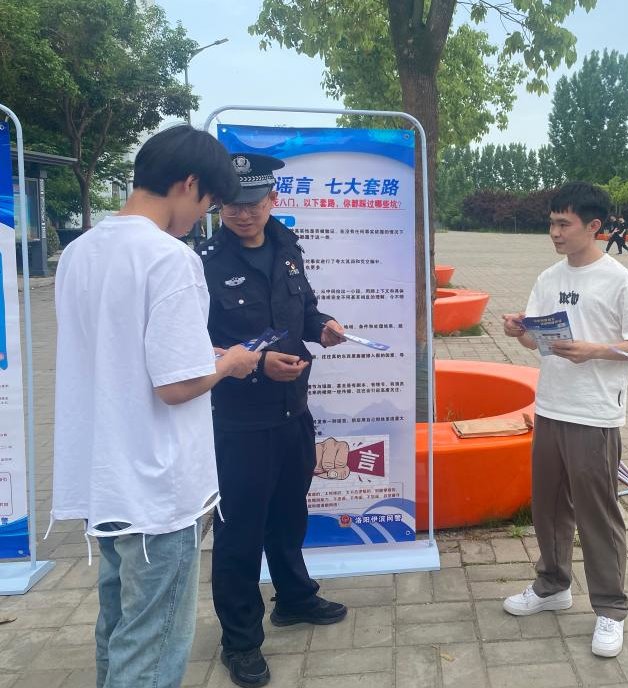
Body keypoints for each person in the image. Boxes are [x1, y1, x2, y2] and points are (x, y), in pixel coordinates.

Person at [51, 125, 260, 688]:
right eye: (207, 202)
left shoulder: (79, 252)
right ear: (188, 184)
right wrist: (229, 363)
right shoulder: (170, 258)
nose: (202, 216)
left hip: (106, 479)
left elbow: (117, 350)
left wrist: (200, 356)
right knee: (153, 640)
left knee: (118, 625)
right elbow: (176, 386)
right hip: (158, 486)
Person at [198, 153, 349, 688]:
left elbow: (302, 311)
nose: (243, 214)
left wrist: (323, 325)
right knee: (240, 532)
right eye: (232, 205)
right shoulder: (203, 263)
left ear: (272, 200)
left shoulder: (287, 248)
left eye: (253, 204)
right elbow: (192, 345)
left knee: (289, 513)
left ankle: (294, 597)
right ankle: (240, 640)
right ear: (219, 206)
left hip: (293, 411)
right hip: (240, 421)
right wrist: (258, 364)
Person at [500, 182, 628, 658]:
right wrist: (519, 331)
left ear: (594, 226)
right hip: (551, 406)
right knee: (548, 507)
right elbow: (537, 341)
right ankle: (552, 585)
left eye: (563, 223)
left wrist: (596, 349)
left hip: (594, 414)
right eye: (551, 223)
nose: (555, 232)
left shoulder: (621, 280)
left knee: (596, 514)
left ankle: (611, 608)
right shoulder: (549, 278)